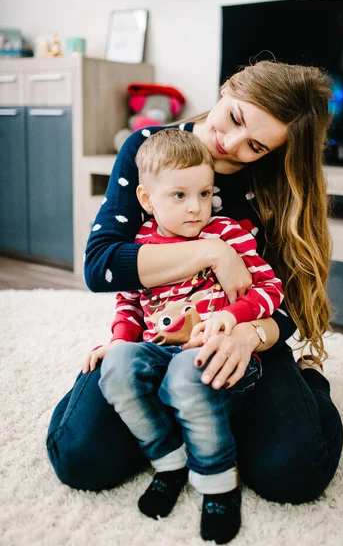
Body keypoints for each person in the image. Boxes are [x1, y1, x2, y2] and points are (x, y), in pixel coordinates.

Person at [47, 60, 343, 525]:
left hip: (244, 336)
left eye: (256, 145)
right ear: (227, 88)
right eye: (236, 118)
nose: (230, 142)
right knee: (80, 458)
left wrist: (248, 336)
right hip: (158, 340)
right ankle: (188, 426)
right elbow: (102, 267)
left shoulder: (273, 180)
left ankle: (308, 383)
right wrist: (212, 254)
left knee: (294, 472)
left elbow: (286, 297)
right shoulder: (150, 150)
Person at [81, 129, 284, 544]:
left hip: (212, 355)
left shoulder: (227, 233)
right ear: (146, 200)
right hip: (159, 349)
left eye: (205, 193)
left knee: (185, 375)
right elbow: (129, 304)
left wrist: (233, 315)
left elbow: (270, 290)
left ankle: (217, 484)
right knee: (116, 368)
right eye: (179, 196)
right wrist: (120, 340)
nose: (196, 208)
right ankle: (169, 460)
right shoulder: (140, 246)